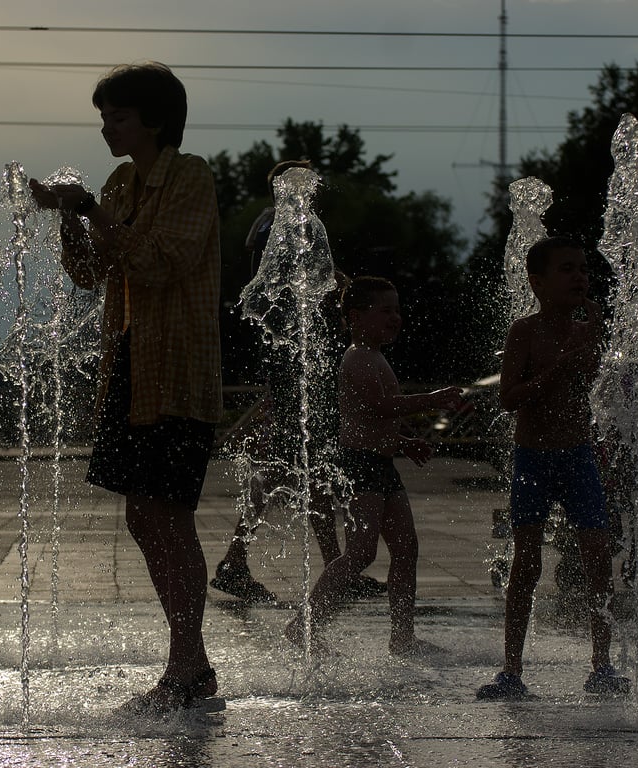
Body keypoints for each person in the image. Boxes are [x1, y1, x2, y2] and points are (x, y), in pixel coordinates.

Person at [29, 62, 224, 713]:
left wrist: (89, 209)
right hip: (131, 367)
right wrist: (66, 217)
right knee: (143, 516)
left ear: (156, 120)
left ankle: (189, 667)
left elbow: (161, 262)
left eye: (118, 115)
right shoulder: (119, 182)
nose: (107, 126)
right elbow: (92, 272)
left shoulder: (190, 175)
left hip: (177, 373)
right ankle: (188, 662)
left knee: (170, 515)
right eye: (104, 115)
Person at [210, 161, 384, 604]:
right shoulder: (282, 225)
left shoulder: (277, 224)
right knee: (298, 464)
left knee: (304, 466)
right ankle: (241, 562)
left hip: (295, 358)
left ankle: (314, 566)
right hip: (294, 360)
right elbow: (286, 288)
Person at [476, 237, 630, 699]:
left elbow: (593, 376)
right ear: (538, 283)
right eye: (567, 269)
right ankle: (511, 669)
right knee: (527, 563)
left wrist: (589, 342)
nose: (580, 277)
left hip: (579, 455)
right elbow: (507, 398)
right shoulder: (525, 332)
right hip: (533, 458)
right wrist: (553, 371)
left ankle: (601, 665)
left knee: (599, 556)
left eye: (583, 269)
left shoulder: (591, 325)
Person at [284, 276, 463, 656]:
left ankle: (402, 637)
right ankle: (304, 625)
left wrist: (403, 443)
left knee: (406, 547)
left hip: (380, 466)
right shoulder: (357, 358)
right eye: (385, 310)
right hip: (360, 468)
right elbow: (379, 407)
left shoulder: (375, 356)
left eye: (397, 310)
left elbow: (371, 423)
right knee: (361, 553)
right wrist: (431, 399)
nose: (395, 317)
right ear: (355, 317)